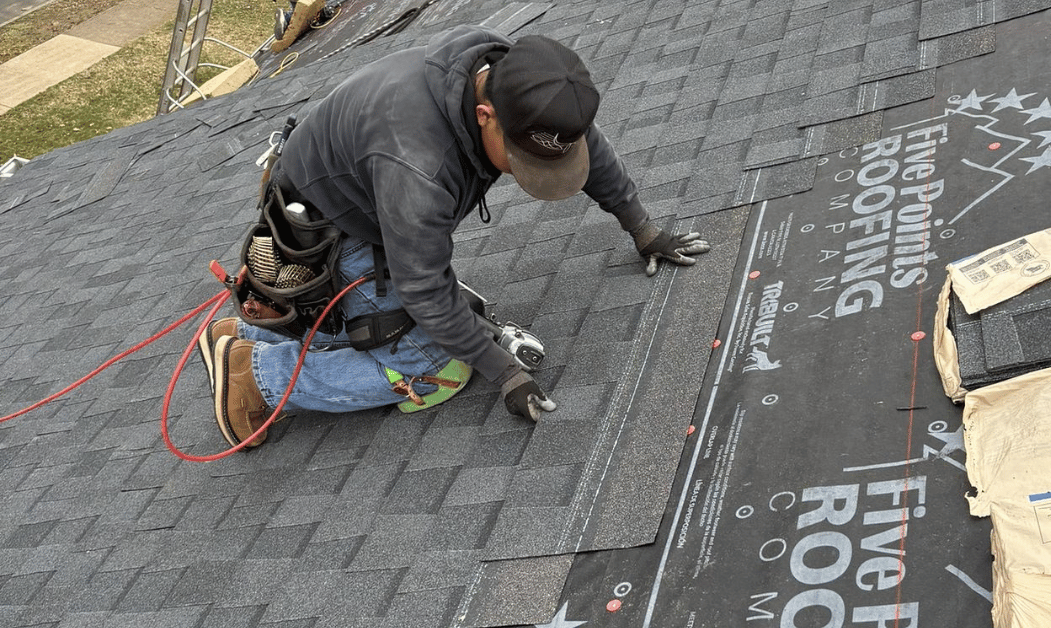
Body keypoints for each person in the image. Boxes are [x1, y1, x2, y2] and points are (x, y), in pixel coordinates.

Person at [201, 25, 710, 449]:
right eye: (521, 160)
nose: (521, 173)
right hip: (332, 232)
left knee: (440, 319)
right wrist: (502, 370)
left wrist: (643, 228)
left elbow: (578, 143)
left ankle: (247, 335)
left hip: (372, 202)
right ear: (486, 116)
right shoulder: (418, 166)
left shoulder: (519, 85)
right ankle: (256, 376)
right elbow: (423, 285)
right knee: (439, 368)